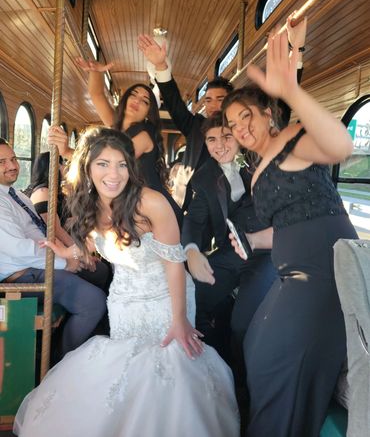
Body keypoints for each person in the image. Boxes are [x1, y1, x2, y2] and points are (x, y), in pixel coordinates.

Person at [14, 127, 239, 437]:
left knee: (165, 368)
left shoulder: (152, 203)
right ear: (88, 167)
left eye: (121, 164)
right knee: (127, 372)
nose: (113, 174)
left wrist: (179, 319)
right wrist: (68, 250)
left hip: (164, 295)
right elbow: (98, 244)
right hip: (122, 299)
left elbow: (175, 266)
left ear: (131, 168)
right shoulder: (90, 203)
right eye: (103, 164)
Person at [222, 28, 358, 437]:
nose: (240, 127)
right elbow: (286, 226)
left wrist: (292, 90)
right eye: (232, 124)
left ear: (266, 112)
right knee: (253, 343)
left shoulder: (292, 138)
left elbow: (341, 147)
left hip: (325, 271)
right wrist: (252, 240)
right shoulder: (256, 171)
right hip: (291, 271)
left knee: (276, 356)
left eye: (246, 115)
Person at [137, 12, 306, 210]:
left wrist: (297, 49)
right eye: (207, 100)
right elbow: (174, 103)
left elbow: (283, 106)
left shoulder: (248, 129)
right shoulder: (194, 126)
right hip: (193, 207)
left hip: (242, 209)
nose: (212, 105)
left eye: (220, 99)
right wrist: (160, 65)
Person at [0, 138, 107, 359]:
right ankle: (60, 362)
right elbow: (21, 249)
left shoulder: (17, 195)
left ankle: (81, 337)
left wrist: (69, 254)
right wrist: (65, 262)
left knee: (101, 272)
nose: (11, 166)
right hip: (18, 275)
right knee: (93, 302)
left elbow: (39, 236)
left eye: (13, 159)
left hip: (35, 263)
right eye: (2, 162)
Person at [182, 113, 276, 362]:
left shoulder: (261, 159)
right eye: (211, 139)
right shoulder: (203, 178)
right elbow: (193, 219)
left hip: (268, 252)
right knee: (194, 295)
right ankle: (209, 360)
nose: (219, 145)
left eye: (226, 136)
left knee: (242, 323)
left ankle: (243, 377)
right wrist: (191, 250)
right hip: (230, 251)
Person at [48, 63, 182, 225]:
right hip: (135, 208)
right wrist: (96, 72)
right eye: (133, 95)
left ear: (148, 113)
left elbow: (110, 162)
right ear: (125, 99)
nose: (137, 101)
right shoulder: (117, 127)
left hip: (158, 213)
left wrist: (67, 151)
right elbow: (96, 94)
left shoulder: (144, 136)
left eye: (145, 101)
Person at [29, 151, 112, 295]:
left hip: (65, 246)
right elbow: (55, 229)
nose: (65, 168)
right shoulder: (43, 192)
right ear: (53, 166)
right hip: (54, 250)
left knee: (104, 265)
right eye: (62, 164)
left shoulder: (56, 192)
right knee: (101, 270)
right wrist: (79, 253)